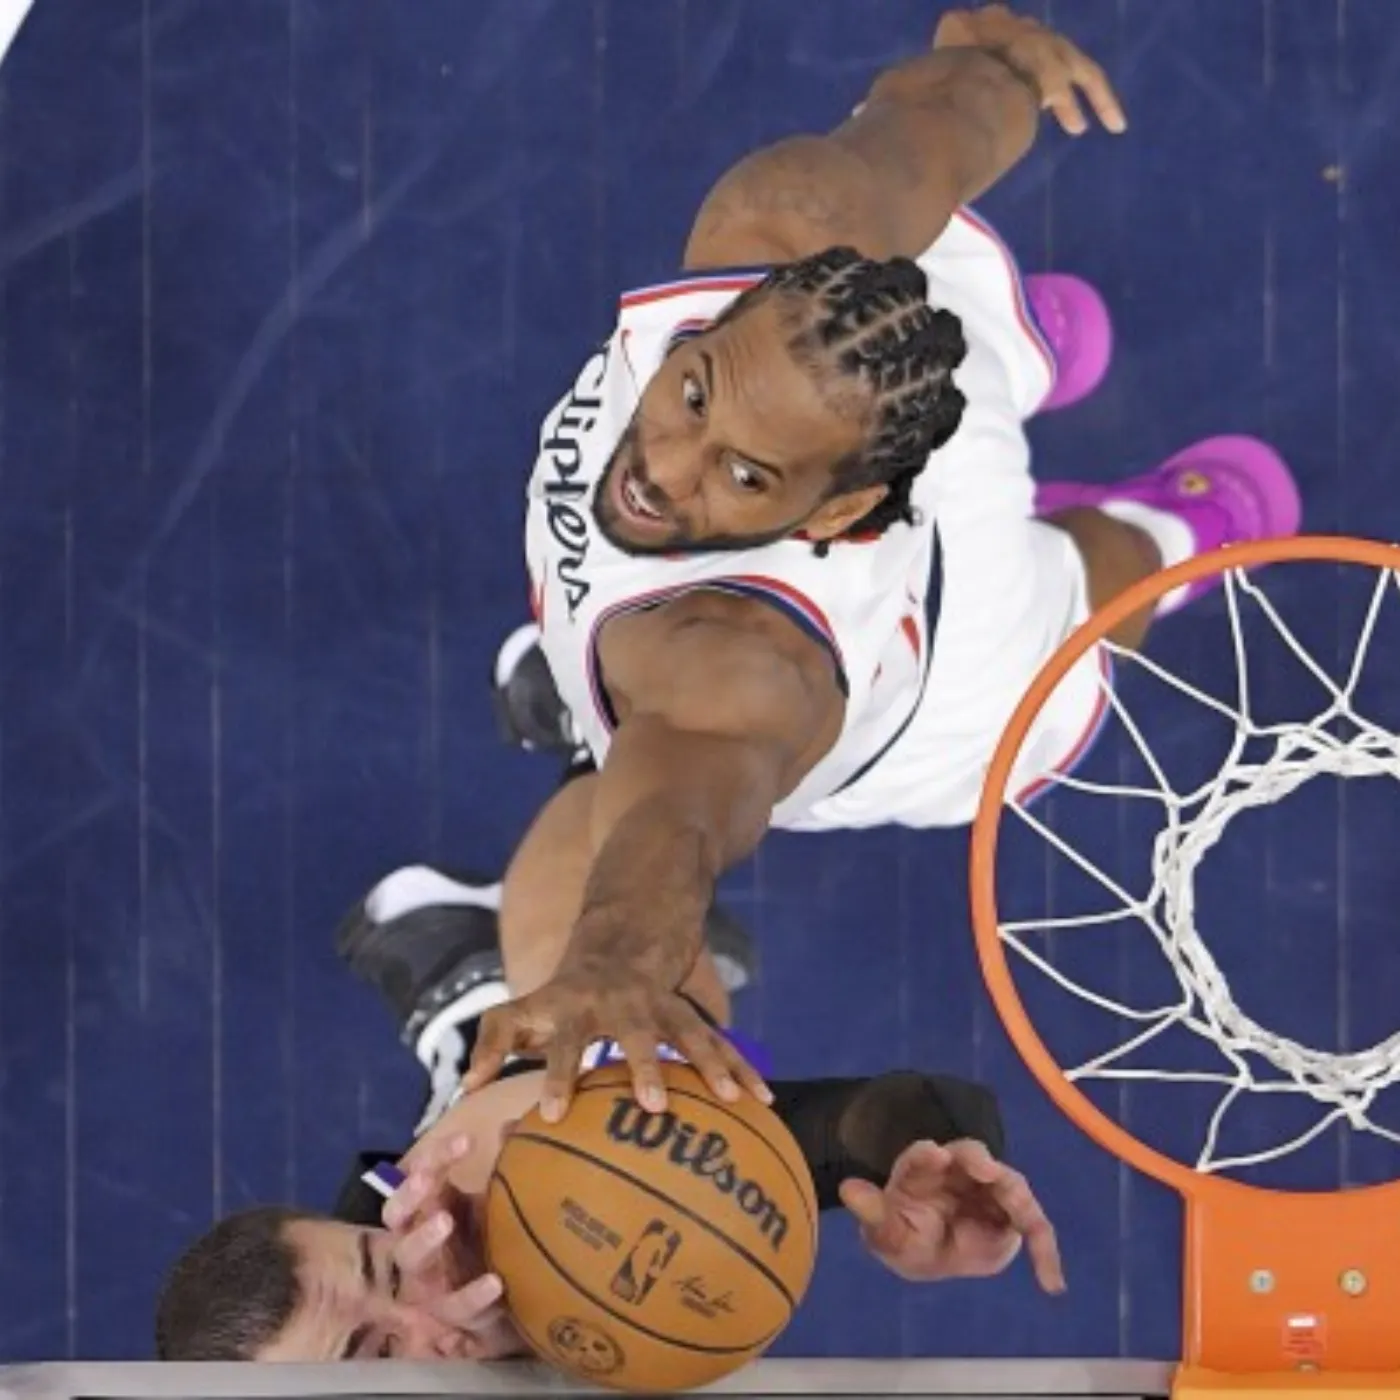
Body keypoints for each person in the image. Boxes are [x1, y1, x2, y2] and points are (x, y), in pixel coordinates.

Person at [469, 3, 1302, 1117]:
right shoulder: (775, 228)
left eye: (742, 477)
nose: (664, 469)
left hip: (956, 651)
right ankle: (1010, 348)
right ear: (740, 304)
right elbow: (935, 118)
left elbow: (673, 820)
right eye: (690, 391)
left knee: (1075, 608)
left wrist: (616, 955)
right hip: (848, 414)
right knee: (878, 329)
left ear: (837, 512)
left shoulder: (742, 670)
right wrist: (982, 59)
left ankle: (1174, 530)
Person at [154, 871, 1062, 1362]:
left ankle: (467, 960)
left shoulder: (503, 1191)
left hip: (570, 1062)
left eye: (388, 1269)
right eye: (380, 1360)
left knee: (628, 918)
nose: (431, 1311)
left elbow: (844, 1123)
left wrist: (916, 1150)